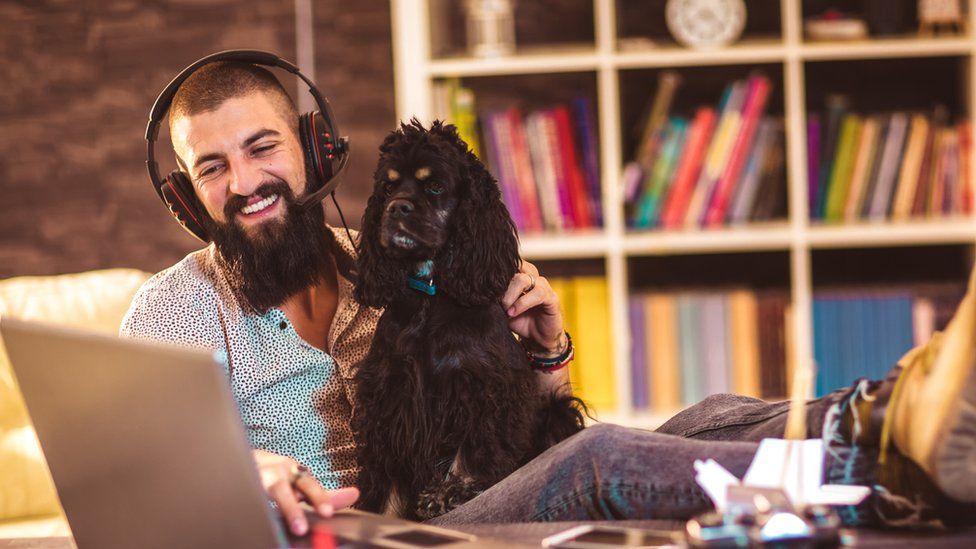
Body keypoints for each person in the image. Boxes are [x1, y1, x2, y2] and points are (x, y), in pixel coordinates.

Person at [121, 57, 976, 537]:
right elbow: (135, 490)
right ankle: (881, 469)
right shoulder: (168, 314)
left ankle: (900, 404)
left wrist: (545, 350)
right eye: (212, 167)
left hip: (465, 500)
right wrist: (245, 469)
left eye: (262, 147)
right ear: (186, 195)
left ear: (314, 147)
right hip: (371, 535)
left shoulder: (387, 253)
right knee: (596, 459)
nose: (245, 181)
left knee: (707, 411)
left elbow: (518, 418)